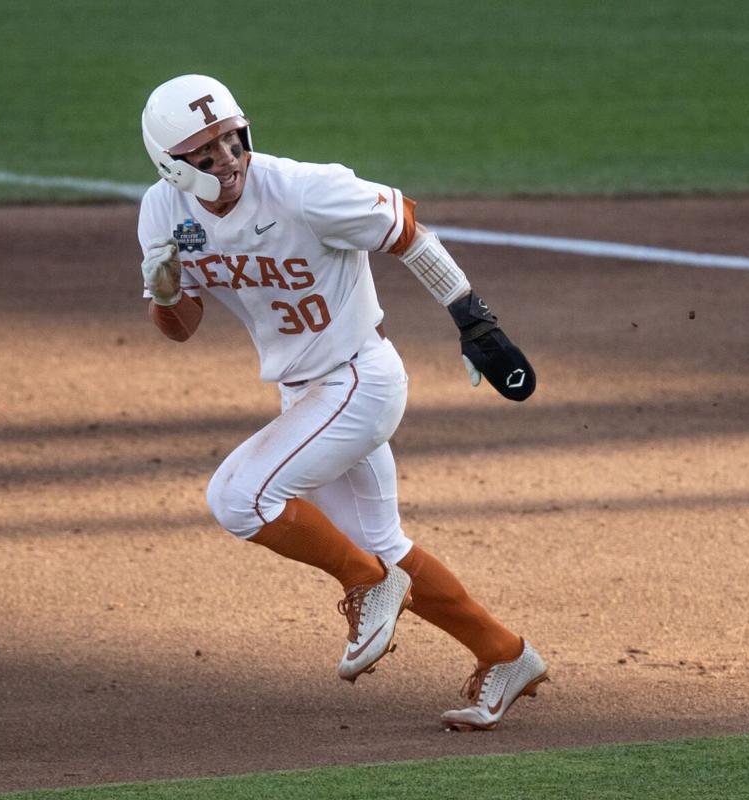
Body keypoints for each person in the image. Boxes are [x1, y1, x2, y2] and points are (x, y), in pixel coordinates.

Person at [137, 74, 547, 731]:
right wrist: (162, 294)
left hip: (361, 380)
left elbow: (402, 224)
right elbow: (181, 327)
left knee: (238, 497)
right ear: (171, 166)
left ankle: (366, 582)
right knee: (384, 542)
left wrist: (475, 321)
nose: (228, 158)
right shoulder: (163, 214)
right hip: (306, 393)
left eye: (232, 138)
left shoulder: (303, 189)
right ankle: (505, 653)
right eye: (205, 153)